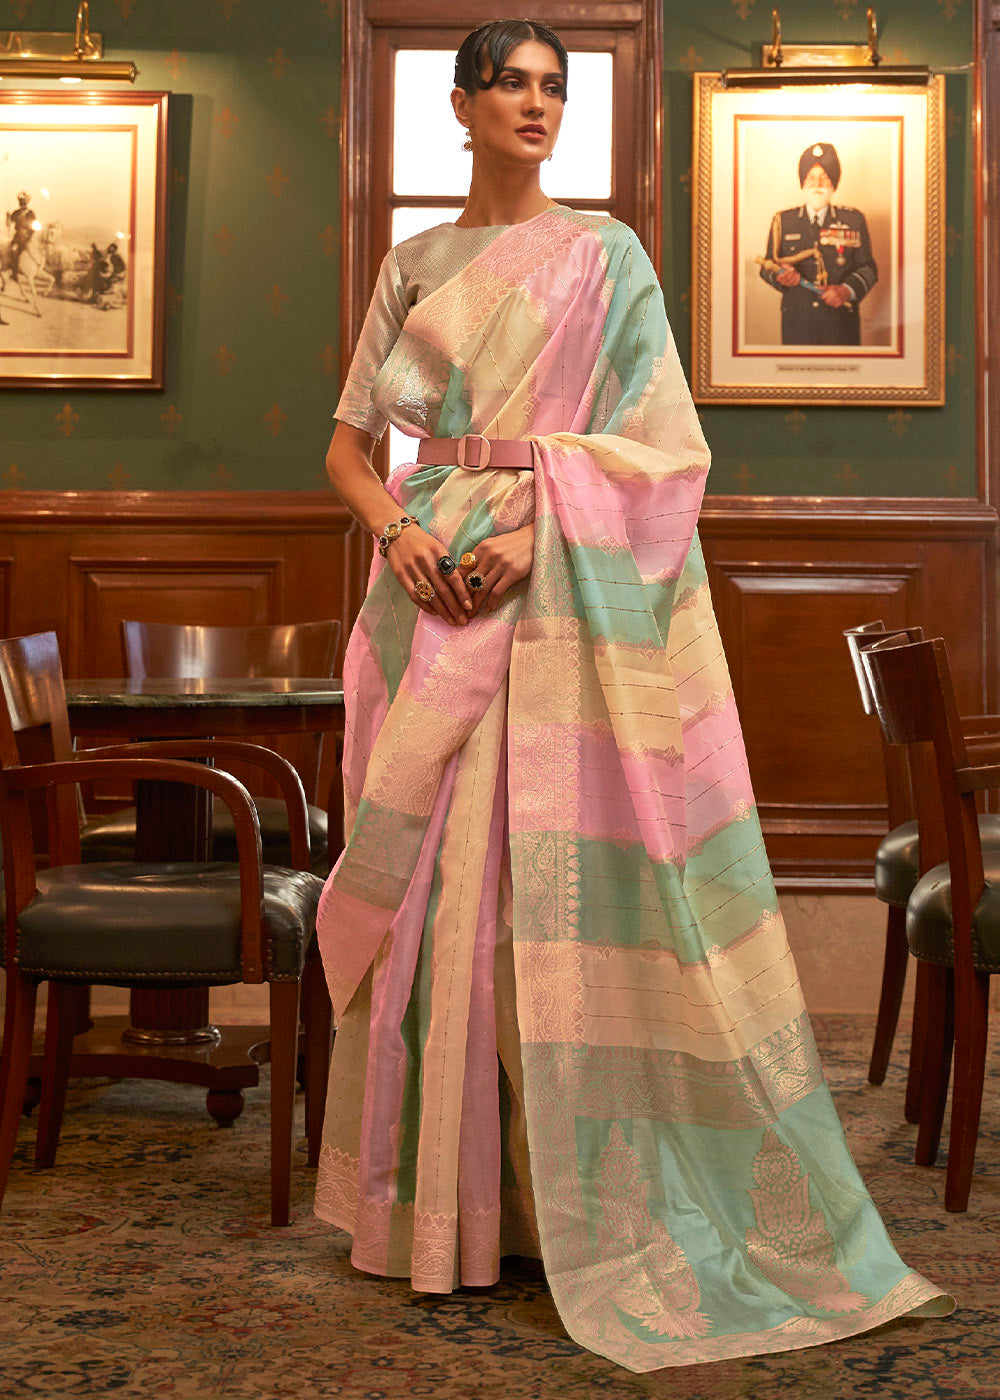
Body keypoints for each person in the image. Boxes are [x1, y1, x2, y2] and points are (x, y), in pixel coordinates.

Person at [315, 21, 950, 1371]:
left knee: (543, 903)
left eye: (554, 87)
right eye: (512, 84)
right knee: (435, 900)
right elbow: (351, 449)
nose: (537, 105)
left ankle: (576, 1204)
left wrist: (538, 527)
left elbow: (665, 449)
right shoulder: (414, 262)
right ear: (461, 105)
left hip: (551, 597)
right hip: (427, 590)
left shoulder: (608, 257)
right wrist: (399, 530)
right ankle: (441, 1208)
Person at [758, 142, 877, 346]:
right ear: (803, 182)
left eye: (824, 177)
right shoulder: (783, 221)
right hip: (798, 324)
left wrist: (846, 290)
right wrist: (780, 275)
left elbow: (869, 269)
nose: (817, 184)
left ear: (833, 183)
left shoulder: (853, 220)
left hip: (840, 326)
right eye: (811, 178)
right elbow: (766, 267)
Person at [5, 190, 36, 281]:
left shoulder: (31, 213)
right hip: (17, 238)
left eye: (24, 201)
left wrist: (30, 234)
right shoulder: (16, 213)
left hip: (28, 237)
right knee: (14, 251)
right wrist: (8, 217)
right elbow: (8, 224)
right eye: (21, 201)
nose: (22, 203)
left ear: (27, 202)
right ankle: (15, 273)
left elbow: (35, 226)